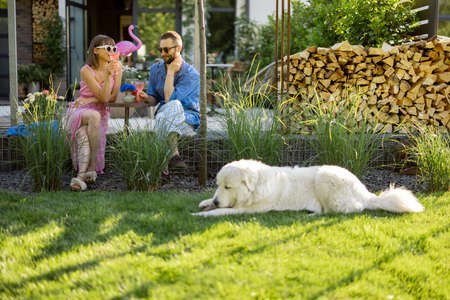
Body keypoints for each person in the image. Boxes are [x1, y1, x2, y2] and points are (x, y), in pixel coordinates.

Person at [138, 31, 200, 173]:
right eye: (161, 49)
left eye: (166, 50)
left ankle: (162, 166)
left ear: (178, 49)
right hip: (165, 114)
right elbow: (154, 99)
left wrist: (171, 71)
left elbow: (168, 99)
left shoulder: (192, 75)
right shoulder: (155, 69)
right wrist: (146, 98)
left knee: (173, 107)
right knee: (164, 114)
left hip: (187, 118)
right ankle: (173, 156)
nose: (162, 54)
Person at [66, 34, 122, 191]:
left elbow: (111, 98)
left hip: (99, 112)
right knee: (94, 116)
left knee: (83, 133)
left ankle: (80, 177)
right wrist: (109, 75)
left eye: (114, 48)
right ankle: (91, 167)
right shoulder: (86, 70)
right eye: (108, 48)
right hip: (81, 111)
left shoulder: (116, 70)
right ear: (96, 50)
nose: (112, 51)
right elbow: (104, 96)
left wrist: (91, 100)